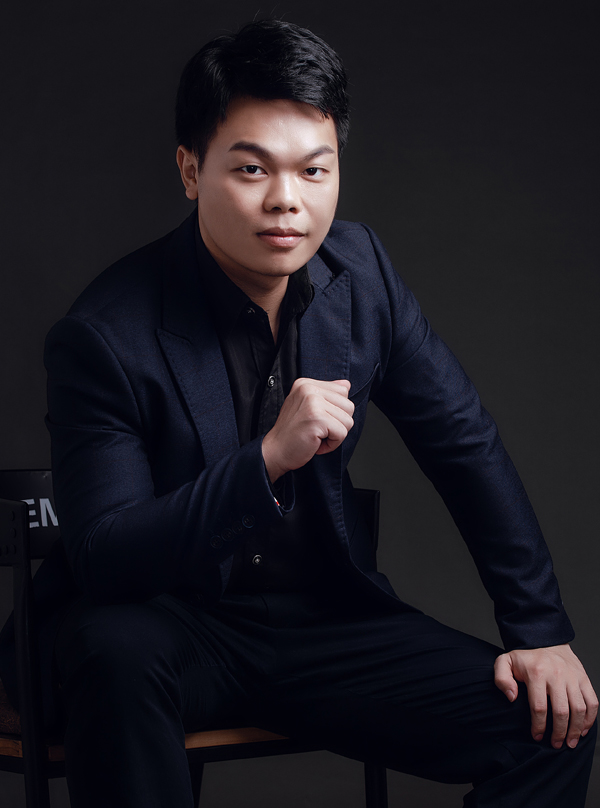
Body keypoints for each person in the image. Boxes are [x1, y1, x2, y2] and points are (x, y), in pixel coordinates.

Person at [0, 18, 597, 808]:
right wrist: (266, 461)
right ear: (191, 170)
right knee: (115, 652)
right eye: (252, 169)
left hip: (317, 622)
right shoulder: (105, 334)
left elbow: (464, 446)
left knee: (551, 724)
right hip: (165, 625)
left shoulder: (363, 274)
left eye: (314, 170)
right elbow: (107, 556)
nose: (287, 200)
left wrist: (540, 630)